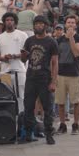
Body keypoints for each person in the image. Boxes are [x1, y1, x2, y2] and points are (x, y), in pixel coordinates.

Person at [21, 15, 58, 144]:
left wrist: (53, 81)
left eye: (41, 24)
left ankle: (49, 133)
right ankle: (28, 133)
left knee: (48, 108)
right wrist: (23, 56)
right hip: (31, 78)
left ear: (45, 26)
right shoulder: (29, 40)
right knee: (28, 107)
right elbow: (23, 60)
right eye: (36, 24)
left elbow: (55, 62)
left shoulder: (51, 41)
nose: (38, 26)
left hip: (45, 79)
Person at [55, 15, 79, 135]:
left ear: (76, 25)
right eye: (69, 22)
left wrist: (71, 38)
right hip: (60, 74)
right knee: (60, 102)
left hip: (74, 73)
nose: (71, 24)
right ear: (65, 24)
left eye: (73, 23)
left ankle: (76, 124)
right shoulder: (59, 40)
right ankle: (62, 124)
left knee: (76, 101)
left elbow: (76, 53)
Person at [0, 12, 28, 113]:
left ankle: (22, 119)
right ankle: (10, 120)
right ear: (4, 22)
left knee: (21, 96)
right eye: (7, 20)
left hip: (20, 70)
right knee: (7, 96)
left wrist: (14, 56)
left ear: (15, 22)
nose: (9, 22)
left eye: (11, 20)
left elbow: (27, 53)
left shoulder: (22, 35)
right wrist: (4, 58)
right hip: (5, 72)